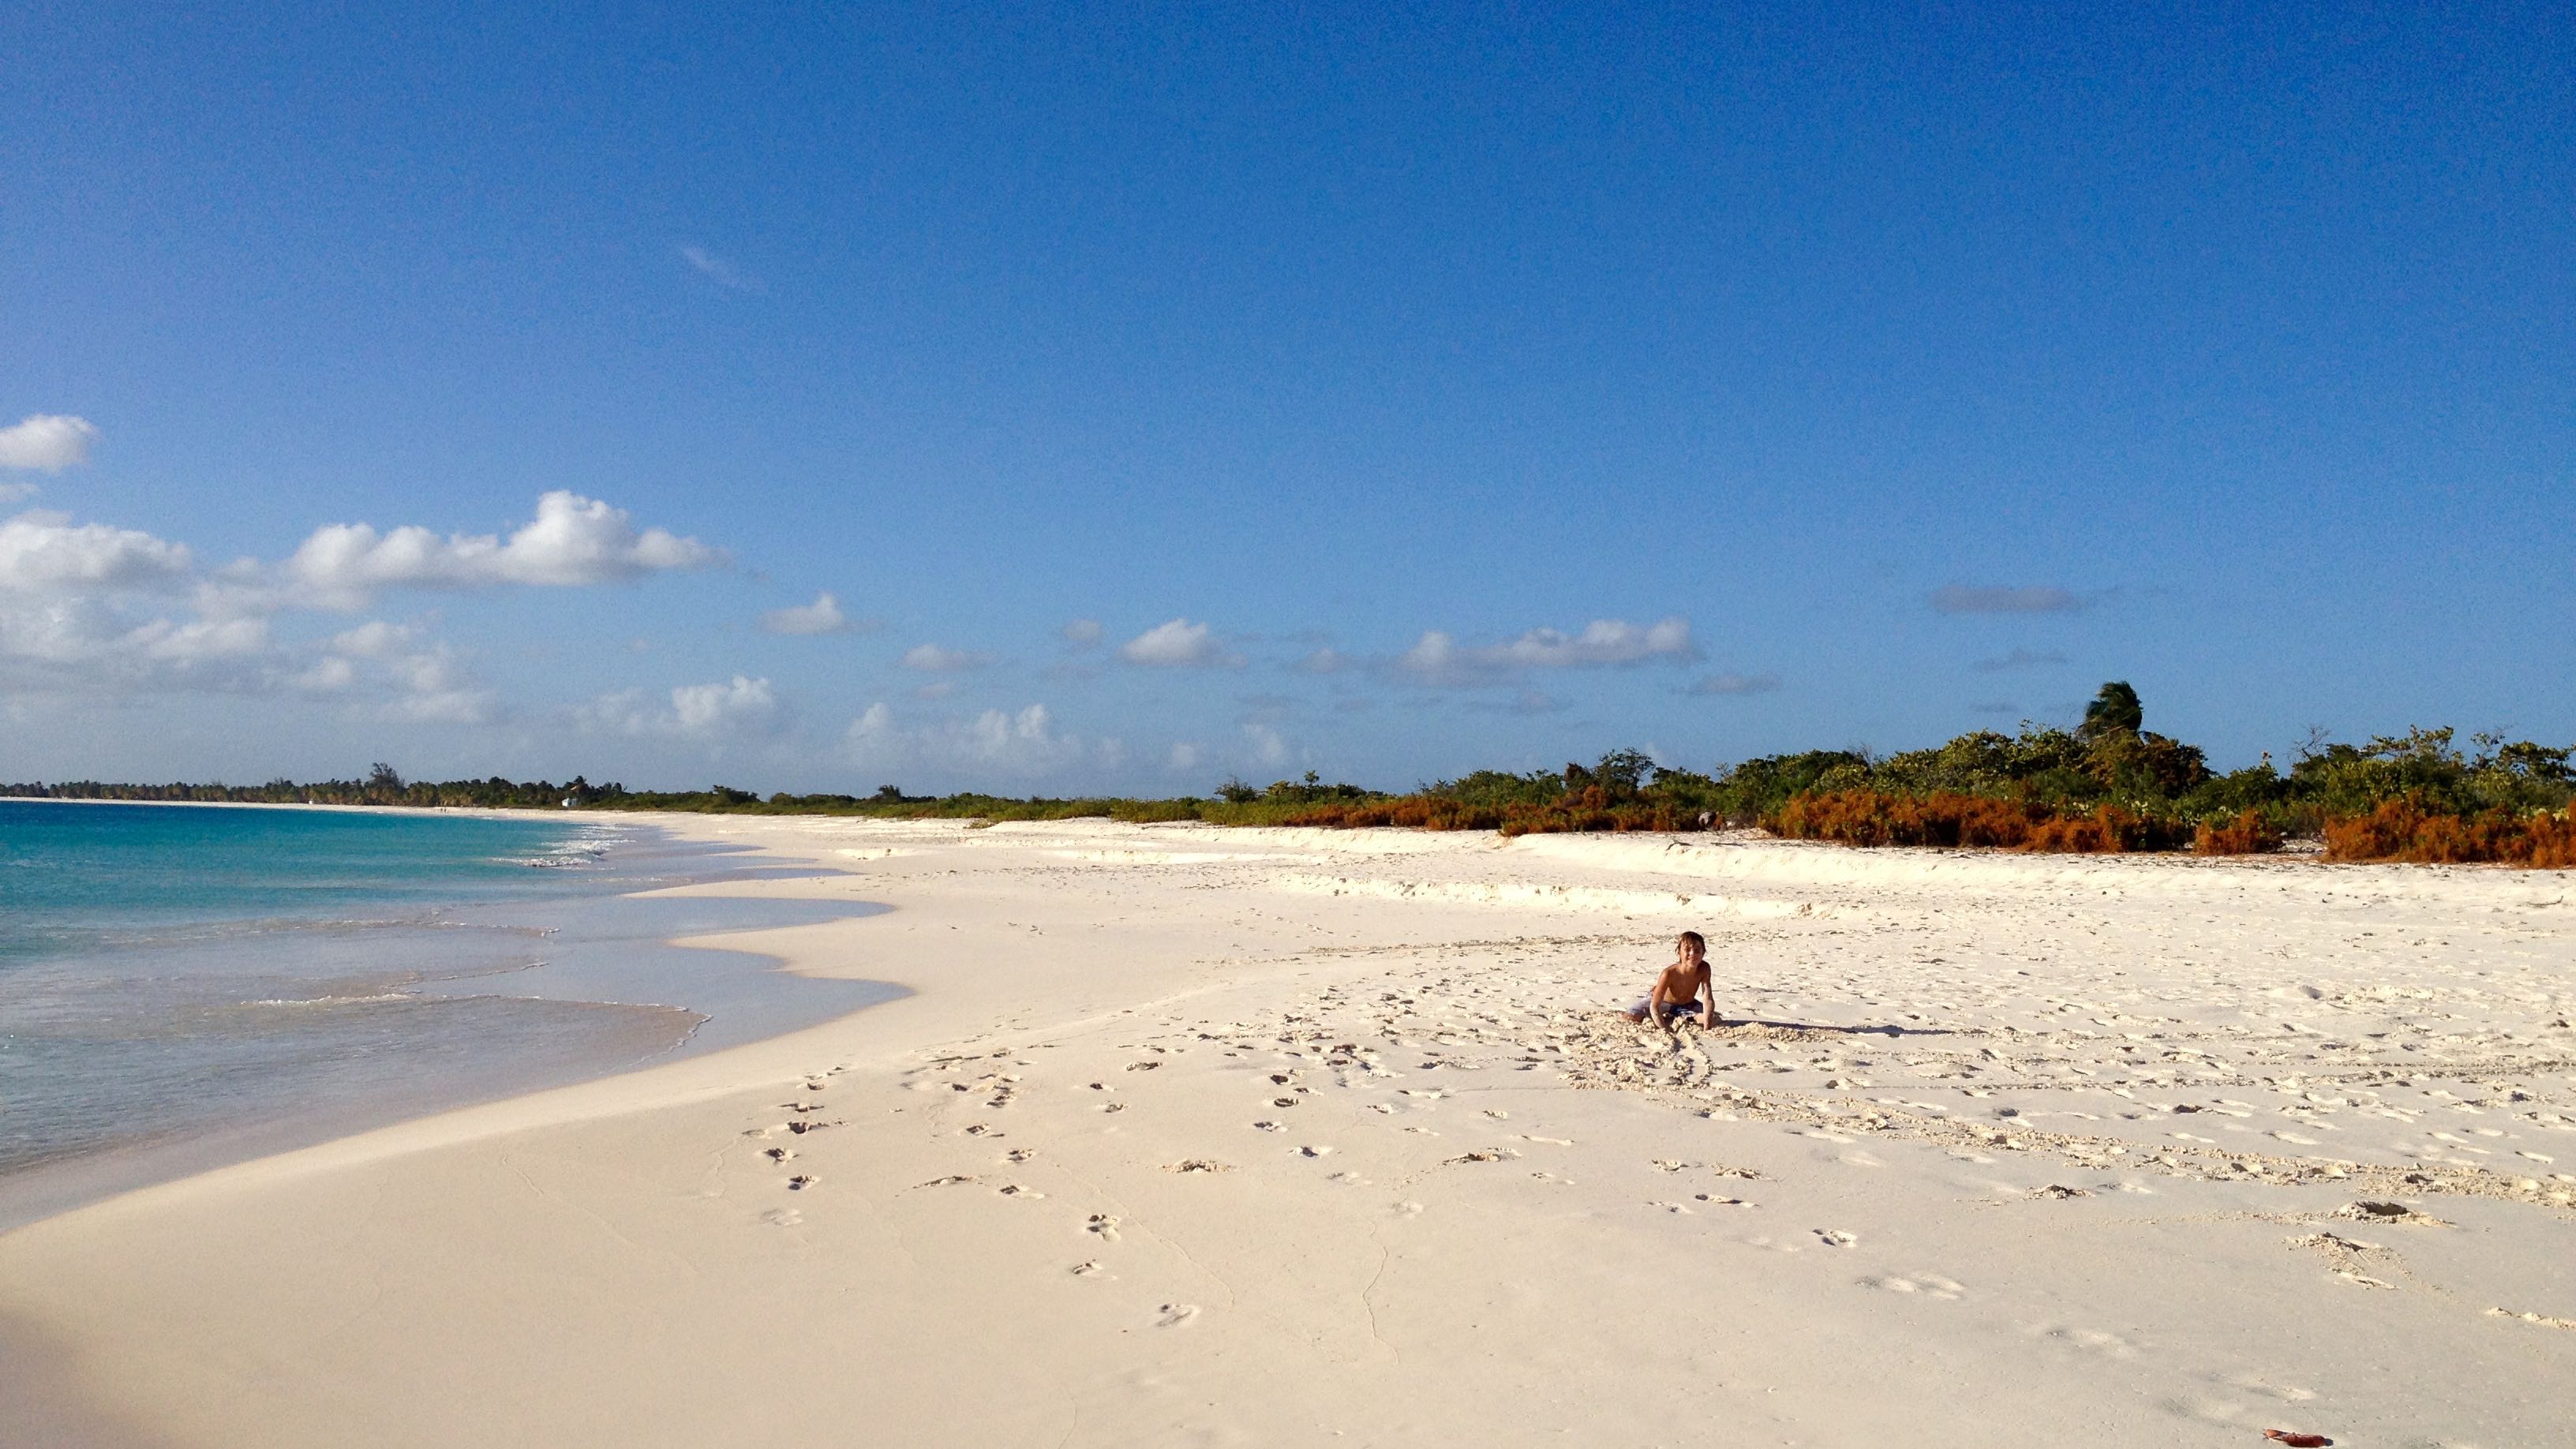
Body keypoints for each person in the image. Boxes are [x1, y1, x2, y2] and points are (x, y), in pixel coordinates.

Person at [1630, 930, 1718, 1031]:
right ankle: (1671, 1015)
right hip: (1663, 1002)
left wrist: (1707, 1028)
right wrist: (1664, 1029)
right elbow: (1654, 1007)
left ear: (1703, 953)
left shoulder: (1704, 968)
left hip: (1687, 1003)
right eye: (1687, 950)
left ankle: (1679, 1015)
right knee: (1631, 1017)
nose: (1692, 954)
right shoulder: (1669, 973)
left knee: (1713, 1018)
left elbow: (1708, 998)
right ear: (1679, 952)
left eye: (1697, 950)